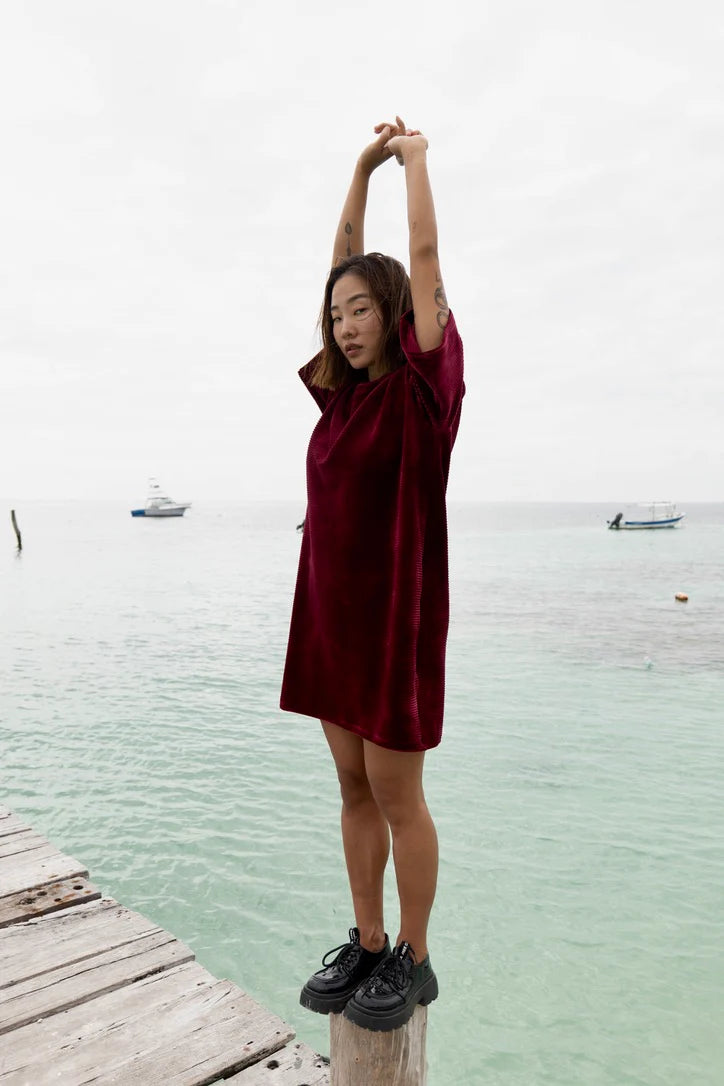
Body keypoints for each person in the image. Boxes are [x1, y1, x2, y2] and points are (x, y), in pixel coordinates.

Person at [280, 116, 464, 1033]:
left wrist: (412, 162)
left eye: (364, 312)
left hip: (394, 627)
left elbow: (420, 254)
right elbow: (342, 259)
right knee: (352, 790)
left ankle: (417, 961)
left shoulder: (425, 391)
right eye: (338, 314)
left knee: (400, 798)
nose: (348, 326)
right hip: (330, 621)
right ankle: (369, 939)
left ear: (397, 317)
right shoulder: (340, 394)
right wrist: (355, 170)